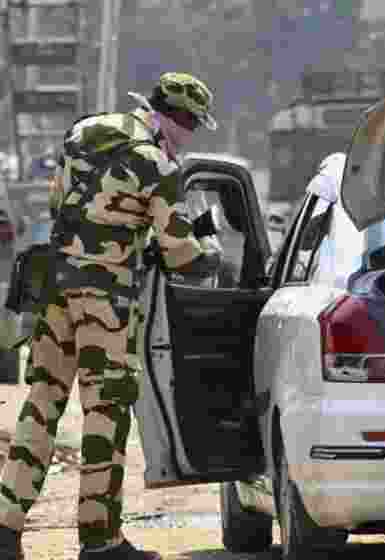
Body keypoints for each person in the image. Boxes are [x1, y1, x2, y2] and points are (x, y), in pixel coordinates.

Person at [0, 72, 223, 560]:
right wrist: (211, 251)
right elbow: (182, 254)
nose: (190, 136)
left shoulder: (84, 132)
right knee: (106, 415)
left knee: (41, 407)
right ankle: (100, 541)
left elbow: (59, 202)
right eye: (191, 125)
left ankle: (4, 528)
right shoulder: (158, 165)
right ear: (175, 119)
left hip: (54, 287)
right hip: (106, 300)